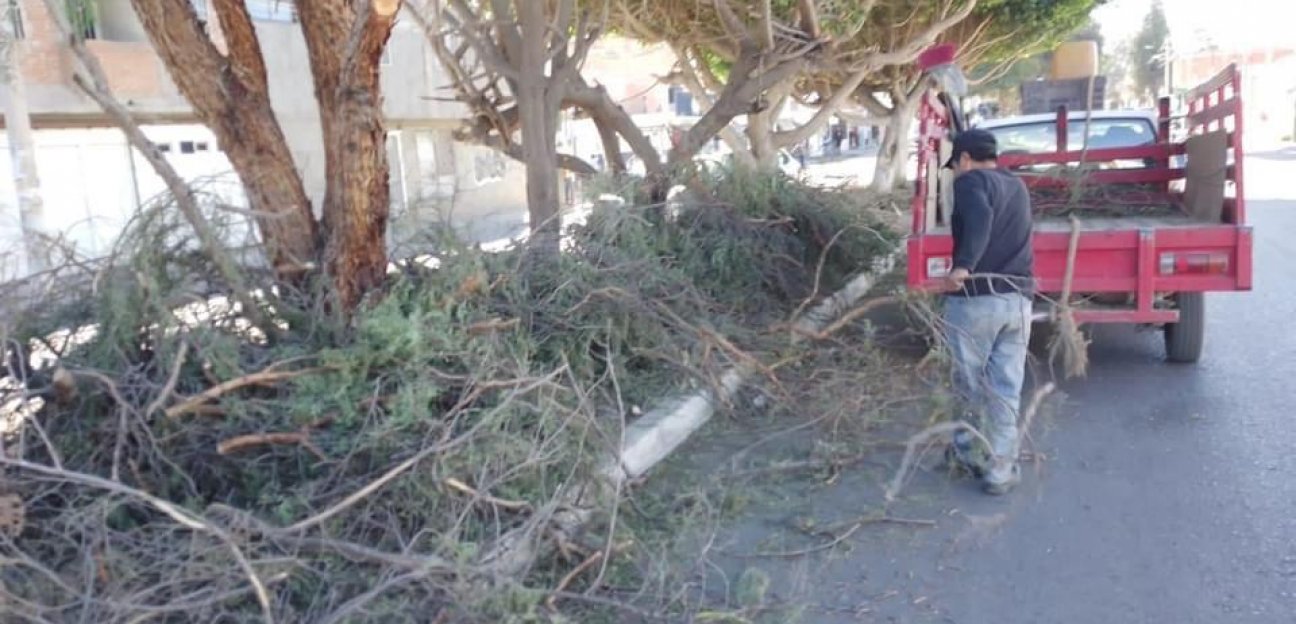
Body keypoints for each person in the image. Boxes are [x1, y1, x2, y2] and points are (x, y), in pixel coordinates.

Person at [941, 128, 1035, 495]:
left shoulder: (970, 183)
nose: (957, 172)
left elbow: (979, 218)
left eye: (956, 165)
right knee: (1005, 388)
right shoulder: (1017, 186)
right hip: (1018, 301)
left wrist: (962, 266)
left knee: (968, 384)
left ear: (964, 159)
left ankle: (965, 452)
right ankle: (1000, 469)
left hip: (978, 300)